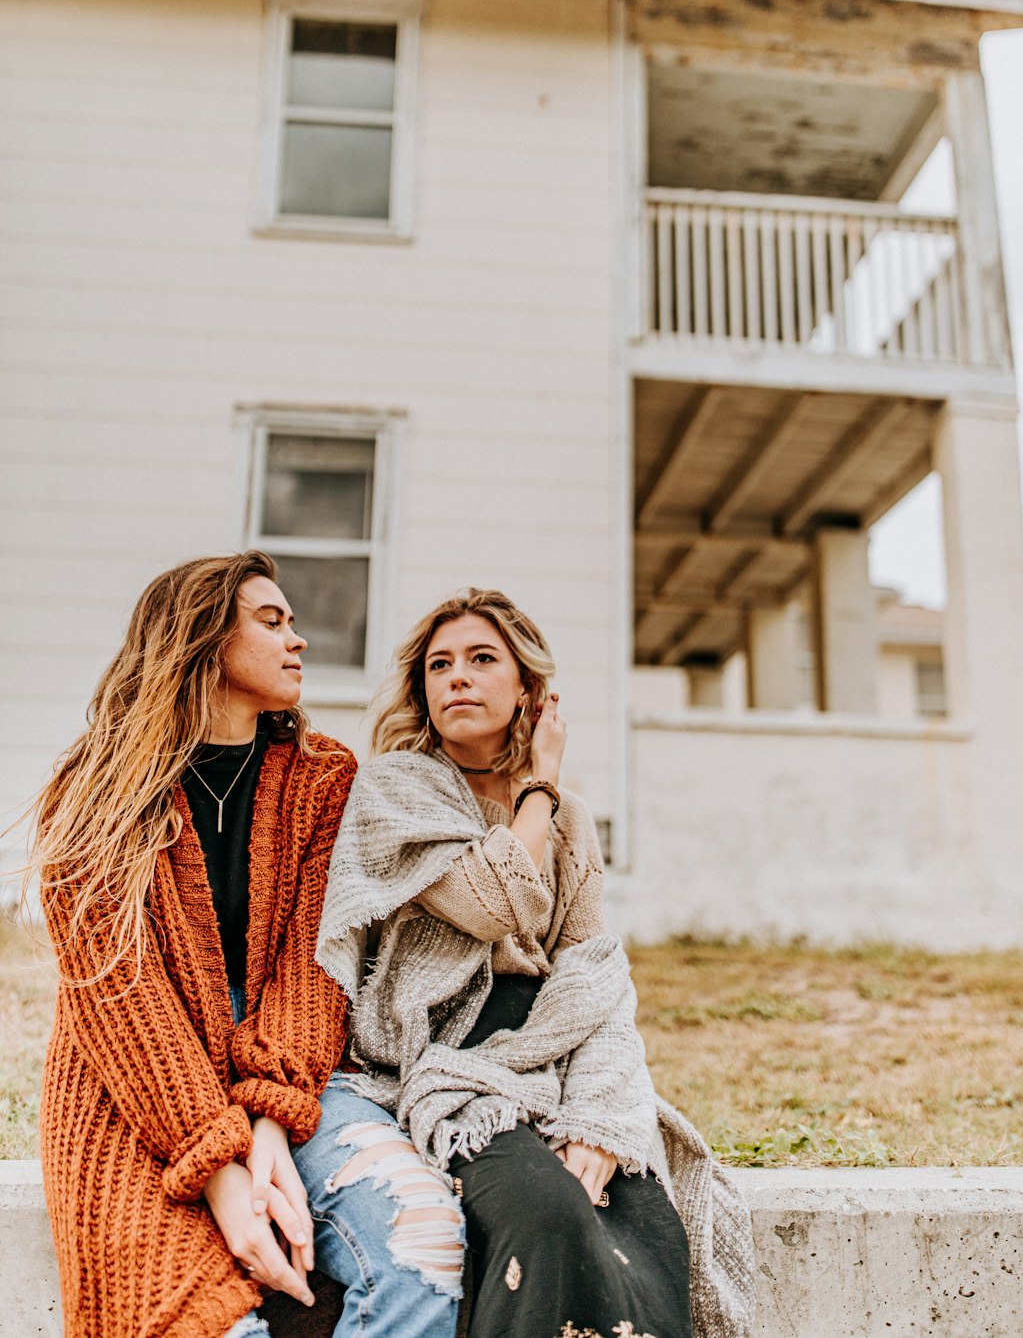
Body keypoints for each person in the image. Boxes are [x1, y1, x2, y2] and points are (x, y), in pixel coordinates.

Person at [28, 551, 464, 1338]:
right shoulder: (91, 792)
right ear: (200, 638)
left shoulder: (323, 778)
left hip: (293, 1067)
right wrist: (228, 1181)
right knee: (200, 1320)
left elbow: (316, 961)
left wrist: (270, 1123)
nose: (298, 639)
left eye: (293, 622)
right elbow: (118, 997)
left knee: (426, 1246)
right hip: (131, 1087)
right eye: (272, 621)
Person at [316, 588, 756, 1338]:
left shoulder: (569, 821)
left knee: (645, 1217)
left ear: (527, 687)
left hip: (551, 1048)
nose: (457, 677)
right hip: (448, 1061)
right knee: (545, 1213)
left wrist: (598, 1120)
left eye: (483, 660)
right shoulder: (398, 789)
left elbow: (594, 974)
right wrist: (543, 783)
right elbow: (497, 901)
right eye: (440, 664)